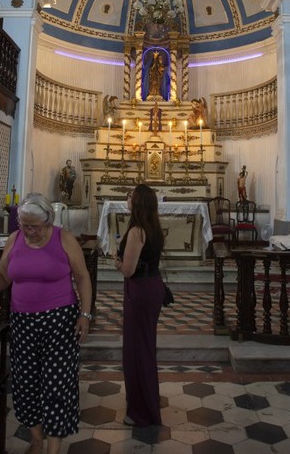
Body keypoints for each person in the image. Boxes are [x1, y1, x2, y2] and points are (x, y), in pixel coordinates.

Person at [0, 193, 92, 454]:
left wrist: (85, 315)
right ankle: (36, 437)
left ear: (47, 222)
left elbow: (82, 277)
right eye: (24, 225)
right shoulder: (15, 239)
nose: (29, 231)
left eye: (34, 226)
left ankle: (52, 448)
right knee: (25, 383)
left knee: (58, 384)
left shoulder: (63, 238)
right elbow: (3, 277)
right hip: (22, 322)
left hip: (59, 321)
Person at [113, 183, 165, 427]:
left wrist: (117, 262)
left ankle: (141, 413)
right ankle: (147, 403)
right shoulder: (153, 227)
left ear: (138, 202)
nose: (128, 198)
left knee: (136, 352)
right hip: (153, 287)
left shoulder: (136, 231)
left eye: (130, 195)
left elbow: (129, 270)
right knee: (146, 348)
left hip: (141, 291)